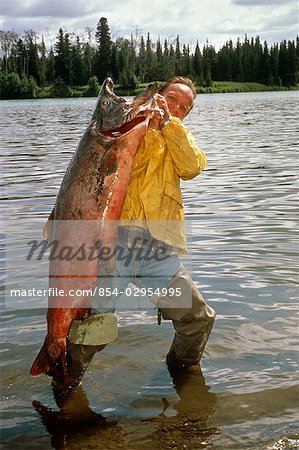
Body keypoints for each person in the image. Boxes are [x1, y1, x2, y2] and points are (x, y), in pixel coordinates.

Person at [52, 76, 216, 391]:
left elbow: (193, 167)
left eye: (184, 106)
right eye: (171, 98)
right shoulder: (132, 132)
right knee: (91, 327)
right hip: (114, 249)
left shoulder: (178, 139)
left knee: (197, 319)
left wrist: (170, 126)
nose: (176, 107)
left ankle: (182, 372)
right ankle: (63, 383)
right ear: (159, 97)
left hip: (158, 252)